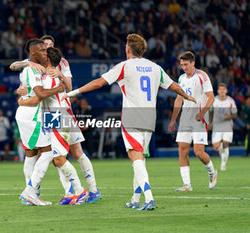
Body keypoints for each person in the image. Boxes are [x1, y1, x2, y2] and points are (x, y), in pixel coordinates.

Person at [62, 34, 195, 210]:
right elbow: (174, 86)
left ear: (128, 49)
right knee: (139, 159)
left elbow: (100, 82)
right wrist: (188, 97)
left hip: (132, 117)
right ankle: (134, 199)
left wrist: (74, 92)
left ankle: (149, 198)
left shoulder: (125, 66)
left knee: (136, 158)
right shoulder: (155, 67)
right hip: (149, 119)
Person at [12, 35, 101, 204]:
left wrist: (22, 99)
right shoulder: (39, 70)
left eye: (47, 49)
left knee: (59, 156)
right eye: (43, 48)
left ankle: (80, 191)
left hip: (57, 116)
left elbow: (44, 94)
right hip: (57, 115)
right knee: (55, 156)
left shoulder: (50, 75)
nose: (45, 51)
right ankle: (69, 193)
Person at [168, 51, 218, 192]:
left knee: (198, 152)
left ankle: (212, 172)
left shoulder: (202, 76)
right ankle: (187, 185)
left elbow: (211, 97)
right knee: (182, 149)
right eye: (182, 65)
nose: (184, 67)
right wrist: (173, 120)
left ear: (193, 63)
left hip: (199, 118)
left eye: (186, 64)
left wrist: (202, 113)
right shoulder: (181, 78)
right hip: (185, 118)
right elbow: (179, 100)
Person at [209, 83, 237, 171]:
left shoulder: (230, 101)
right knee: (216, 146)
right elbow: (210, 111)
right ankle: (220, 150)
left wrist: (229, 116)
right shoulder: (214, 100)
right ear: (218, 91)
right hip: (216, 125)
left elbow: (235, 114)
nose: (222, 91)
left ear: (226, 91)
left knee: (225, 144)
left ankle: (223, 164)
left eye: (223, 89)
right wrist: (209, 123)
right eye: (220, 89)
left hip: (227, 125)